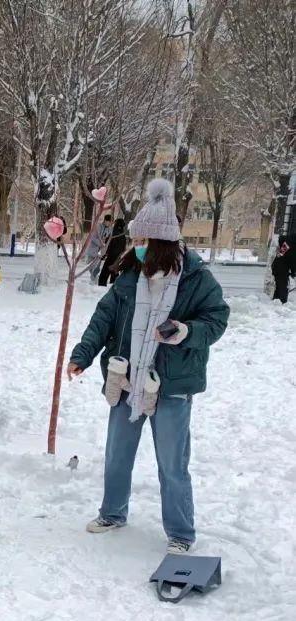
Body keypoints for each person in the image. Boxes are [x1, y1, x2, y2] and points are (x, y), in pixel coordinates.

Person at [67, 179, 229, 555]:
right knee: (117, 454)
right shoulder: (130, 277)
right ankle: (113, 512)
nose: (136, 246)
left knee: (172, 463)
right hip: (126, 378)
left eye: (143, 241)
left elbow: (217, 320)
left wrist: (184, 331)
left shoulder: (196, 279)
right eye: (135, 240)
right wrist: (82, 355)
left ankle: (181, 532)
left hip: (172, 385)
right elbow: (103, 319)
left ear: (162, 243)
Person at [84, 213, 113, 284]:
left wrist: (105, 246)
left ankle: (94, 279)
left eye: (111, 222)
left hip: (101, 251)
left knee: (97, 267)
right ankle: (93, 278)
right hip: (92, 249)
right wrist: (101, 243)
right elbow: (92, 238)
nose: (110, 223)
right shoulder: (98, 227)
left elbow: (108, 239)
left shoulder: (109, 229)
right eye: (109, 221)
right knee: (90, 265)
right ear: (105, 221)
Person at [98, 217, 127, 286]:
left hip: (110, 256)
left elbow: (108, 244)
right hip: (118, 257)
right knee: (114, 274)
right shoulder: (123, 235)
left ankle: (101, 287)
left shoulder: (112, 233)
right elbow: (123, 248)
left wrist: (104, 254)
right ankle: (114, 286)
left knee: (104, 275)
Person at [271, 234, 296, 304]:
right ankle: (282, 303)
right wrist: (293, 272)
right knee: (283, 288)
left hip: (277, 266)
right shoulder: (292, 244)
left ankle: (275, 302)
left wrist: (293, 272)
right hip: (280, 268)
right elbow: (293, 259)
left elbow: (283, 255)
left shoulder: (288, 242)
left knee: (279, 287)